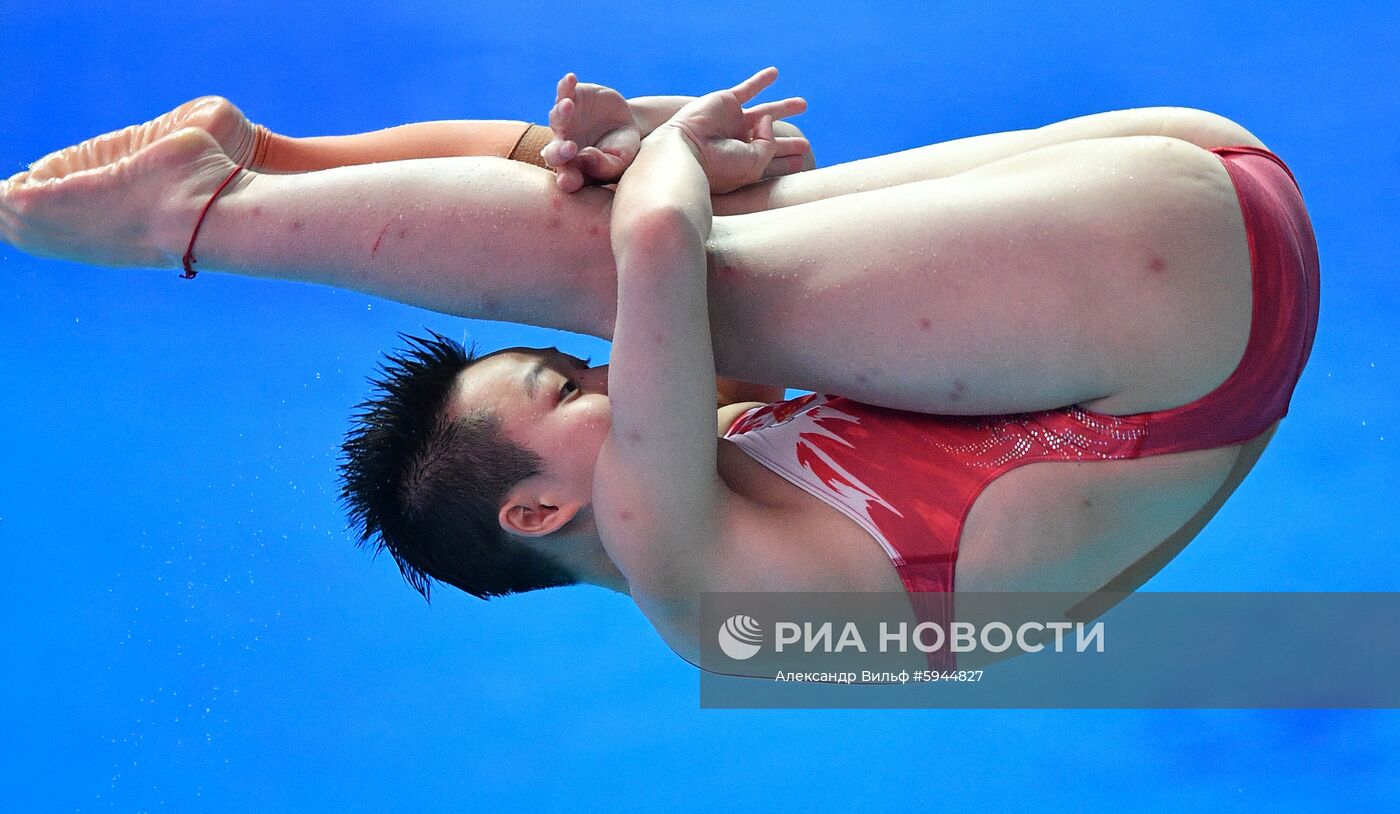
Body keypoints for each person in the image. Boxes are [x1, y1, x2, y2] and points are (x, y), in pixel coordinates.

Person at [0, 69, 1319, 668]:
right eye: (564, 395)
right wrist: (657, 141)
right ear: (535, 512)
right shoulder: (699, 589)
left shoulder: (704, 483)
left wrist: (637, 152)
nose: (612, 379)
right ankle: (198, 223)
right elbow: (653, 235)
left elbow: (706, 222)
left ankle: (275, 158)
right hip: (1183, 292)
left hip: (1198, 264)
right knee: (648, 254)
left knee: (686, 246)